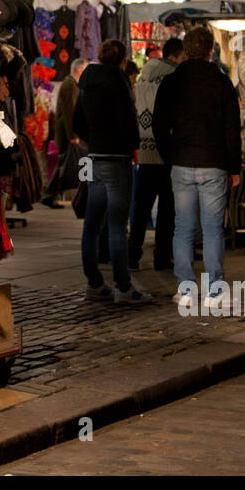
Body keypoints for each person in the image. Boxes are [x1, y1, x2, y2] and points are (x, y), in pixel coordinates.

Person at [153, 27, 242, 310]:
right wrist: (234, 167)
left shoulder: (171, 82)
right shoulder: (221, 83)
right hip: (213, 163)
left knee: (183, 227)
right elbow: (231, 130)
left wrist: (170, 154)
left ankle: (185, 289)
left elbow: (157, 124)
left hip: (181, 162)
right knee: (213, 229)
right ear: (209, 51)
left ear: (186, 50)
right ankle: (215, 291)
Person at [73, 39, 148, 303]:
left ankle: (93, 283)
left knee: (92, 224)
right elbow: (127, 120)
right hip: (117, 159)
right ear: (122, 59)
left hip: (93, 157)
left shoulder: (87, 82)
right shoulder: (119, 81)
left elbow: (77, 121)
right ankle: (123, 287)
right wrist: (132, 147)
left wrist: (92, 139)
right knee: (117, 225)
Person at [130, 37, 182, 271]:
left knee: (141, 208)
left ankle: (133, 254)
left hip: (145, 152)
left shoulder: (142, 78)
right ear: (174, 57)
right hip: (166, 151)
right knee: (166, 209)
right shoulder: (173, 79)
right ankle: (162, 256)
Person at [41, 58, 87, 208]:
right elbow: (69, 112)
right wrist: (73, 136)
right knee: (63, 167)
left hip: (67, 134)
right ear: (79, 70)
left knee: (62, 167)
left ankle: (49, 196)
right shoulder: (70, 84)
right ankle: (50, 196)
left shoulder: (71, 84)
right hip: (68, 135)